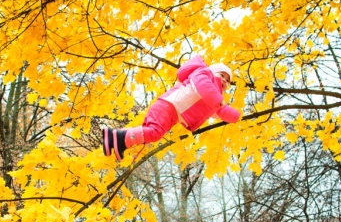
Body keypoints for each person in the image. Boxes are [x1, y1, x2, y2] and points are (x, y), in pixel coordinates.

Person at [102, 55, 241, 161]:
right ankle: (118, 136)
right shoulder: (204, 75)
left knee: (153, 134)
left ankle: (118, 141)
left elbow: (222, 111)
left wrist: (238, 117)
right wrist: (220, 101)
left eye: (228, 80)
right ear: (213, 71)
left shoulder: (215, 100)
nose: (224, 80)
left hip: (173, 114)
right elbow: (205, 89)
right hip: (168, 106)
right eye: (222, 75)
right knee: (154, 133)